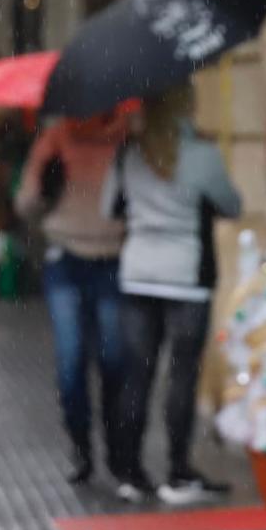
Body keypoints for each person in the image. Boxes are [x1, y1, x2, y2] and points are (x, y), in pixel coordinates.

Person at [101, 84, 243, 506]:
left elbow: (110, 207)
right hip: (187, 275)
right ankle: (177, 471)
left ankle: (129, 472)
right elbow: (232, 205)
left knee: (137, 374)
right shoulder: (201, 154)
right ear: (186, 106)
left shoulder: (129, 152)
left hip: (139, 273)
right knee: (181, 376)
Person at [15, 110, 129, 486]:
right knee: (75, 359)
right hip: (66, 260)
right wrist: (46, 182)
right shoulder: (54, 140)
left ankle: (112, 449)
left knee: (108, 361)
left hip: (114, 261)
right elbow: (27, 202)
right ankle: (82, 447)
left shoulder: (128, 138)